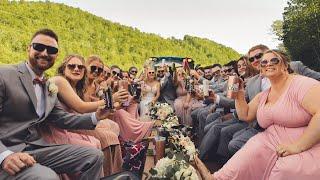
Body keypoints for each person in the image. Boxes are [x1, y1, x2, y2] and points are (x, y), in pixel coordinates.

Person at [195, 49, 320, 180]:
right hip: (270, 140)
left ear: (284, 65)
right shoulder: (264, 94)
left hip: (306, 142)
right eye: (264, 62)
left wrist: (298, 146)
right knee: (250, 151)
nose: (268, 64)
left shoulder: (301, 84)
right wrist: (240, 95)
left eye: (274, 60)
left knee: (284, 169)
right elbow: (245, 115)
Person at [0, 29, 106, 180]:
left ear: (56, 55)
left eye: (51, 50)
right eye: (38, 47)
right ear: (28, 48)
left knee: (94, 156)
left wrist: (96, 116)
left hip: (36, 148)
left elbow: (63, 119)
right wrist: (4, 156)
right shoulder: (4, 75)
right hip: (7, 151)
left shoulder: (48, 86)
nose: (44, 53)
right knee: (48, 177)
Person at [41, 54, 123, 176]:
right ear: (63, 68)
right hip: (57, 129)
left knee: (110, 131)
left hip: (71, 123)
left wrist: (110, 107)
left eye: (80, 67)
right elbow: (81, 107)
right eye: (71, 66)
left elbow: (82, 109)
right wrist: (111, 98)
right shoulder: (60, 81)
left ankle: (112, 173)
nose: (76, 69)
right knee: (103, 139)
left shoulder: (77, 86)